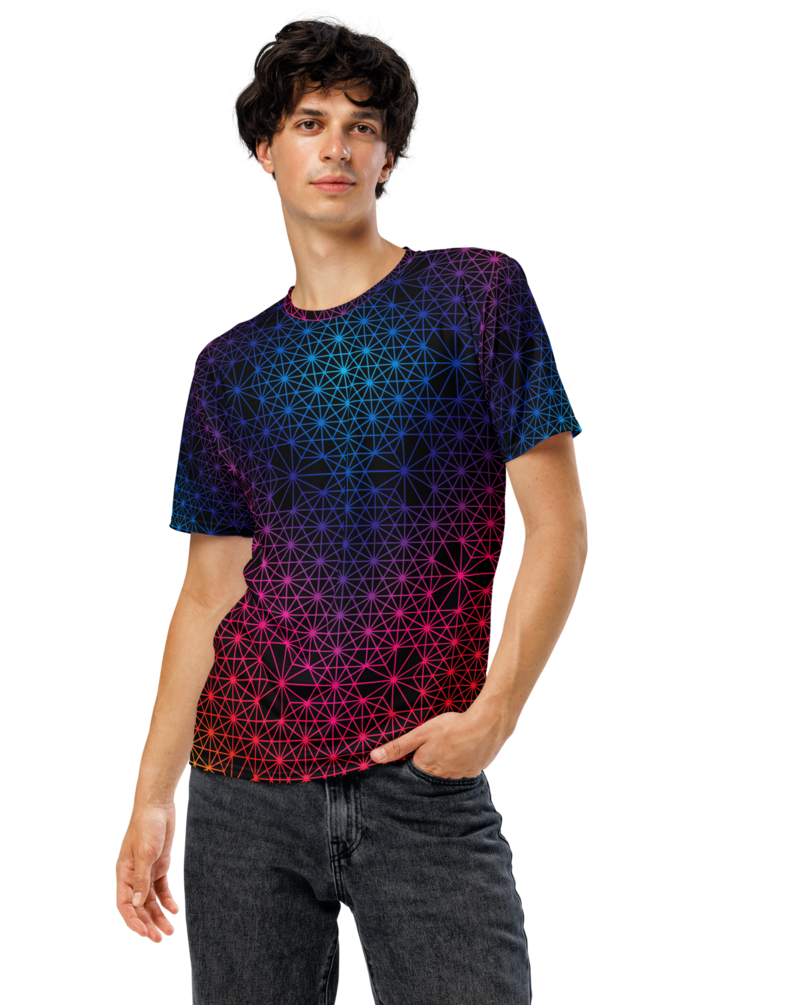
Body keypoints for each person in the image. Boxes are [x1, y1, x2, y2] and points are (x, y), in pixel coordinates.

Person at [114, 13, 589, 1004]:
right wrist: (153, 797)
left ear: (387, 156)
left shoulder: (477, 293)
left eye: (361, 125)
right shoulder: (227, 365)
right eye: (309, 122)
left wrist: (495, 716)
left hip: (423, 780)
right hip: (241, 794)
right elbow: (206, 593)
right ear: (266, 151)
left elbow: (558, 525)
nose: (335, 146)